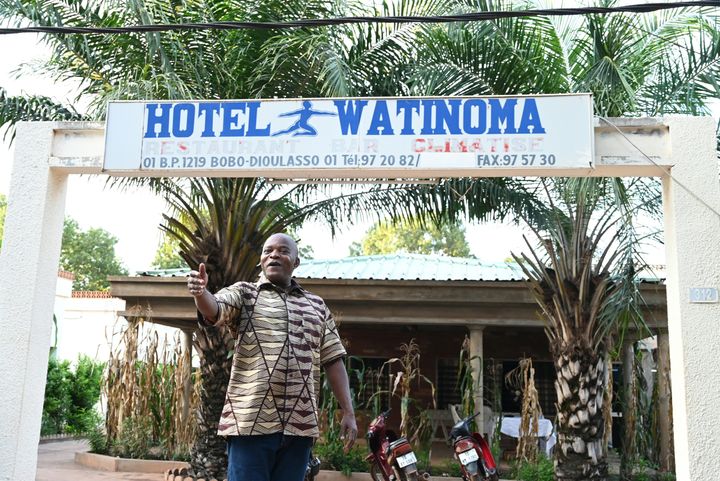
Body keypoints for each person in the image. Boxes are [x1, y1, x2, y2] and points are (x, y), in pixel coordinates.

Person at [186, 233, 357, 481]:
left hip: (299, 426)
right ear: (261, 260)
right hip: (250, 423)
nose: (274, 254)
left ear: (296, 262)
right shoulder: (245, 294)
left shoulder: (317, 306)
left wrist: (349, 412)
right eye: (268, 251)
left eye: (283, 251)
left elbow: (333, 359)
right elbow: (215, 308)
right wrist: (200, 293)